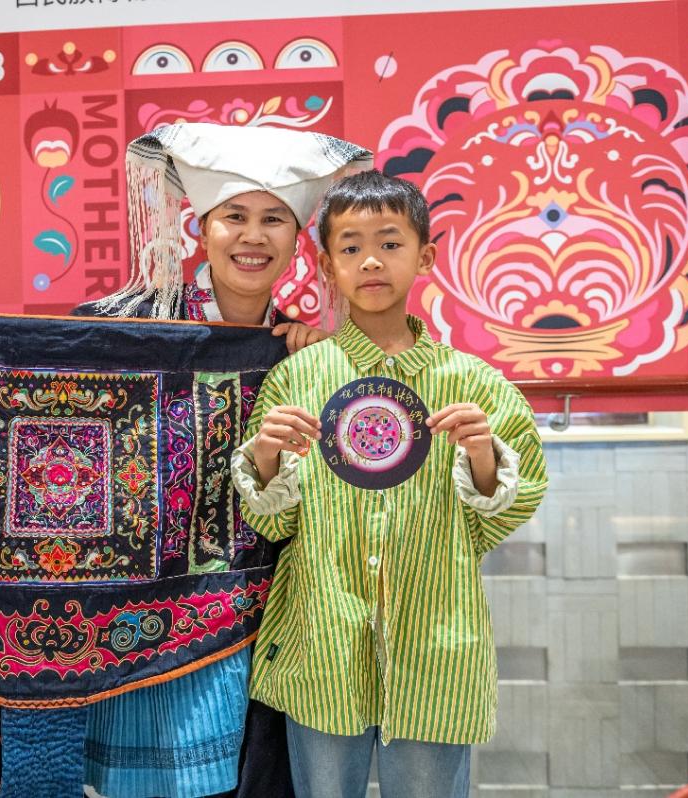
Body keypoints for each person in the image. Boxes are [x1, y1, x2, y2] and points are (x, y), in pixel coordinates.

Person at [72, 122, 374, 798]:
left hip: (252, 618)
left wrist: (315, 368)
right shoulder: (124, 327)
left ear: (297, 241)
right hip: (132, 609)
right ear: (201, 230)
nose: (253, 236)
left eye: (273, 219)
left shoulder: (304, 348)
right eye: (234, 216)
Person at [230, 170, 548, 798]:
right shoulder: (297, 380)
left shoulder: (476, 385)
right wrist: (264, 456)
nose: (370, 260)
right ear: (325, 264)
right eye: (349, 247)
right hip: (322, 641)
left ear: (425, 254)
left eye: (390, 242)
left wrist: (483, 455)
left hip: (434, 643)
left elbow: (505, 511)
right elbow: (275, 523)